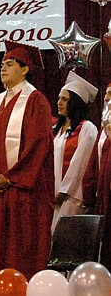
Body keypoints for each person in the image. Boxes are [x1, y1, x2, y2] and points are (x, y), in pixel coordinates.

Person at [0, 41, 54, 281]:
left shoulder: (36, 101)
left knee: (23, 250)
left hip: (26, 193)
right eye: (2, 65)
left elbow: (38, 143)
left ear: (25, 69)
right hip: (0, 191)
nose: (3, 69)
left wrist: (11, 178)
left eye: (9, 64)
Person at [50, 71, 98, 233]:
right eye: (58, 98)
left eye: (64, 99)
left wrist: (63, 192)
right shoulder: (56, 130)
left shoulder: (87, 128)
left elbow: (80, 164)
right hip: (52, 196)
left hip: (72, 197)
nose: (59, 103)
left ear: (75, 102)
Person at [83, 81, 111, 270]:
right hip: (103, 199)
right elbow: (93, 165)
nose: (107, 98)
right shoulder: (103, 131)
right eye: (107, 93)